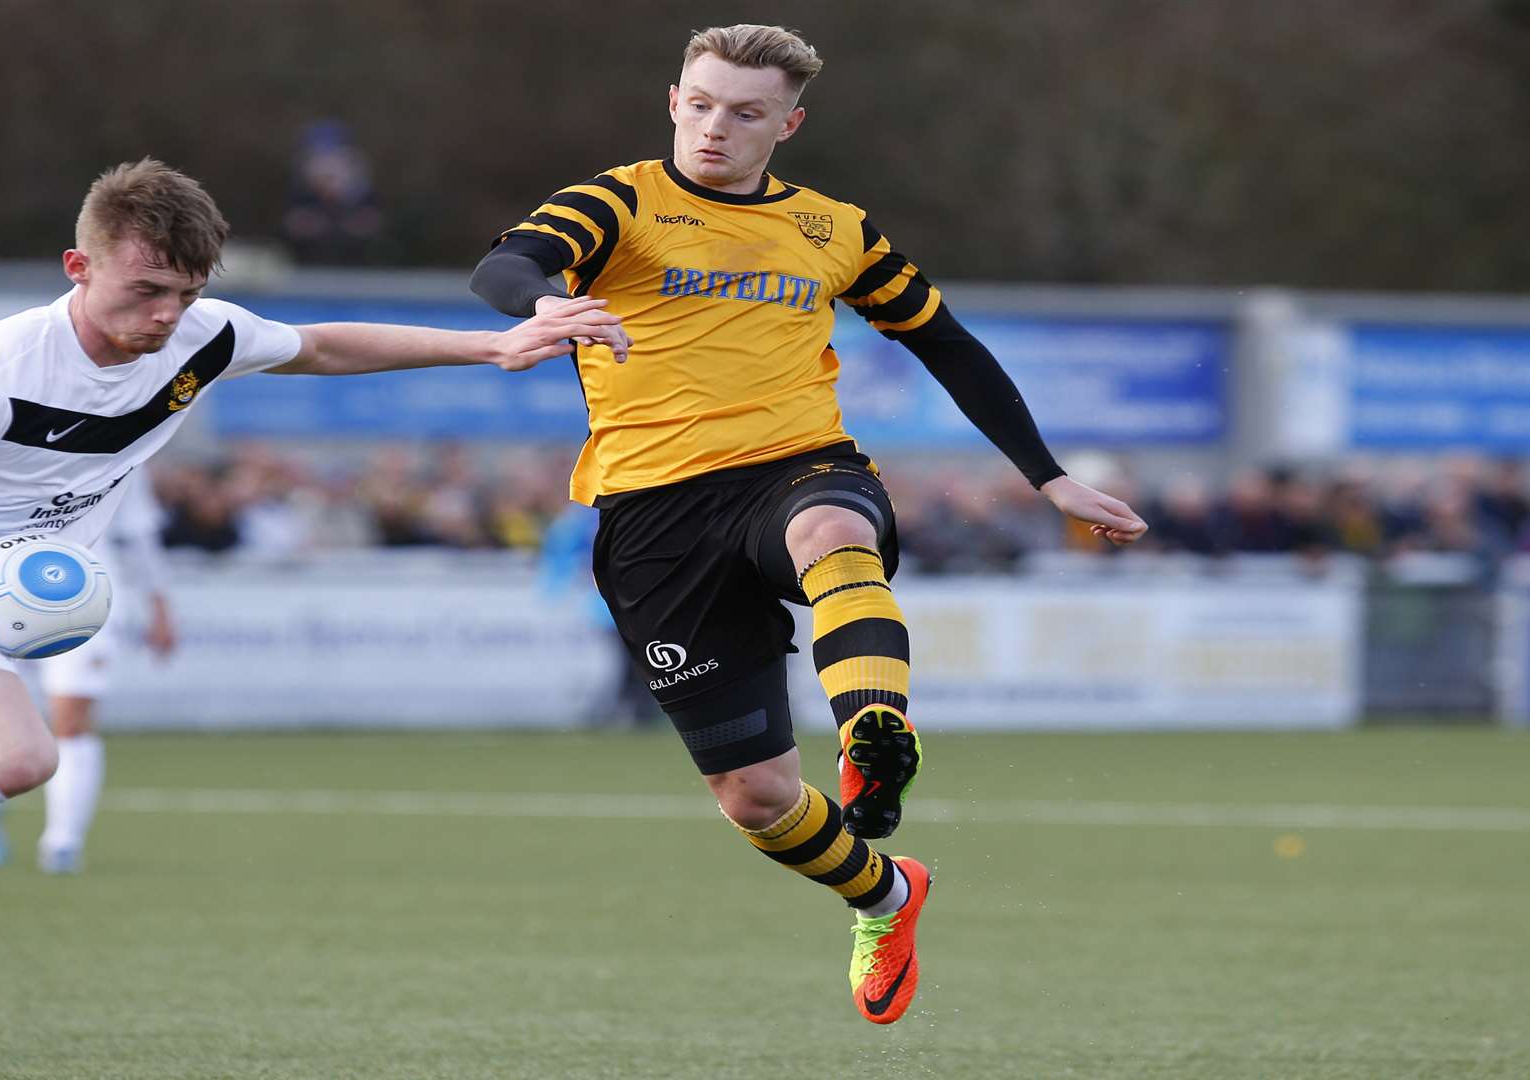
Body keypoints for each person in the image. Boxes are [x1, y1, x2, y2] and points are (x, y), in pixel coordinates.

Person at [0, 157, 621, 1078]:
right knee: (18, 759)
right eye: (146, 290)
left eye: (187, 293)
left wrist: (493, 349)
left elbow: (319, 345)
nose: (167, 316)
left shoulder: (200, 335)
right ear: (77, 267)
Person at [469, 24, 1147, 1026]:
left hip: (797, 464)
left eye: (745, 114)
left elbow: (948, 345)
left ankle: (875, 728)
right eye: (700, 104)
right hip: (652, 514)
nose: (716, 128)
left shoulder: (835, 229)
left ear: (788, 124)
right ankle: (886, 892)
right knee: (754, 798)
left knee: (832, 531)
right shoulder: (619, 200)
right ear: (672, 100)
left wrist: (1047, 479)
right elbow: (505, 266)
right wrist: (542, 305)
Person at [0, 466, 176, 875]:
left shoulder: (130, 440)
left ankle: (63, 842)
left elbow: (138, 531)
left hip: (87, 598)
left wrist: (159, 602)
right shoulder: (7, 425)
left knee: (73, 719)